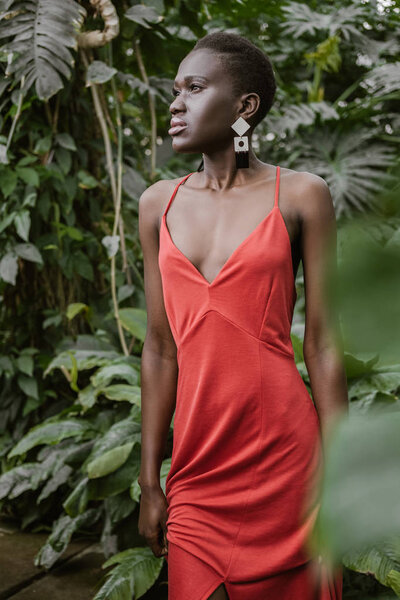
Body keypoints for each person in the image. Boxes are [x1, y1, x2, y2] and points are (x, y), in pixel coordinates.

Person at [137, 31, 348, 600]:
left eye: (195, 87)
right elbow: (159, 347)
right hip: (197, 468)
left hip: (287, 464)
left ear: (244, 107)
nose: (175, 103)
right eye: (174, 90)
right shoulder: (158, 202)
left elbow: (323, 345)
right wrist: (149, 478)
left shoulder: (302, 195)